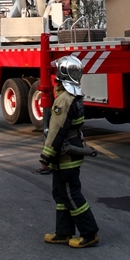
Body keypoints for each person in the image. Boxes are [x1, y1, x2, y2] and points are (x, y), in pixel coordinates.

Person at [39, 55, 99, 248]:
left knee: (71, 195)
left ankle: (89, 233)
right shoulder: (74, 96)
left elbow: (56, 131)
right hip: (69, 154)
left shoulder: (64, 100)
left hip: (66, 157)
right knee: (61, 194)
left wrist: (45, 157)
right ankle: (63, 232)